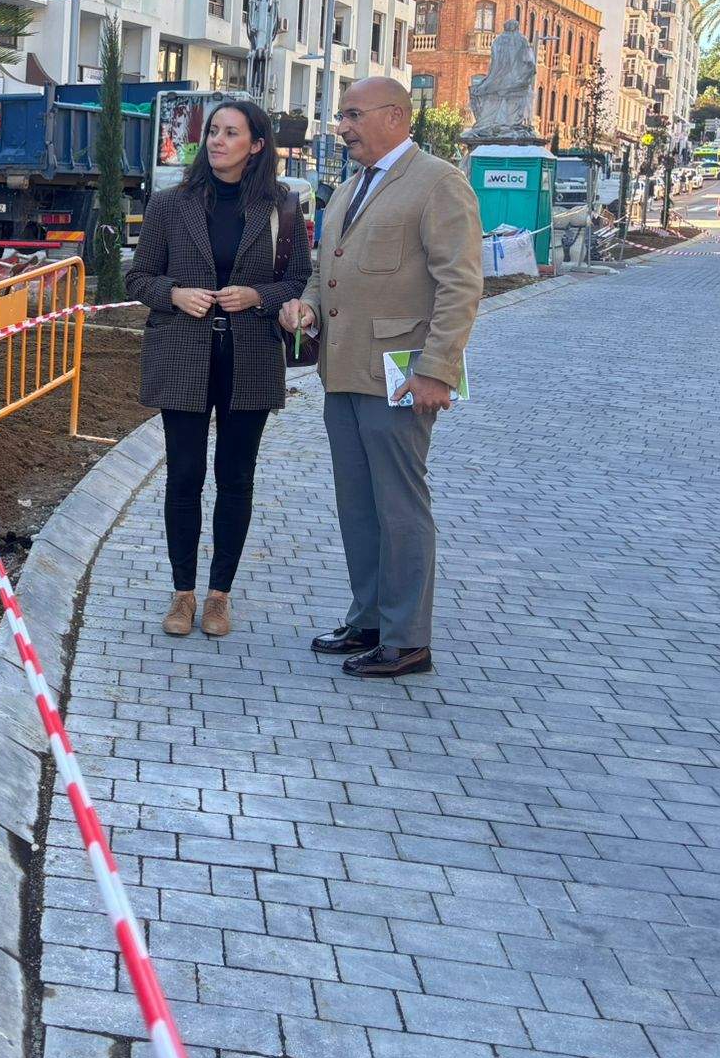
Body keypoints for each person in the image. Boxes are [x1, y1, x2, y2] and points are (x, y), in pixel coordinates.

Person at [281, 76, 482, 680]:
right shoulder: (347, 190)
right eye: (343, 116)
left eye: (352, 115)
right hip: (342, 372)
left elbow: (461, 285)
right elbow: (326, 271)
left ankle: (406, 639)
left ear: (395, 116)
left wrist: (436, 370)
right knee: (358, 505)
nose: (342, 127)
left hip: (401, 377)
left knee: (399, 507)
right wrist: (307, 306)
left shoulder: (439, 183)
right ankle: (367, 618)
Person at [128, 99, 311, 640]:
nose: (217, 141)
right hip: (182, 356)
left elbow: (300, 280)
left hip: (250, 359)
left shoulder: (283, 208)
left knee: (236, 481)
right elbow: (138, 279)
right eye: (213, 131)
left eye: (231, 133)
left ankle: (219, 595)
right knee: (184, 477)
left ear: (257, 145)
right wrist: (174, 293)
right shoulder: (169, 205)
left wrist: (257, 294)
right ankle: (182, 592)